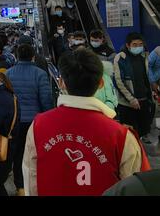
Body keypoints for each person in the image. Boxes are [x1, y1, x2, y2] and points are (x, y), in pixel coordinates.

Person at [23, 49, 151, 196]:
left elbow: (31, 180)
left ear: (61, 83)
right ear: (101, 83)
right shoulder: (121, 136)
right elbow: (134, 188)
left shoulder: (38, 127)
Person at [6, 44, 53, 195]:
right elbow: (46, 99)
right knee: (36, 153)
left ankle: (21, 186)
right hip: (35, 121)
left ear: (17, 56)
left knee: (18, 154)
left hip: (16, 122)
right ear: (33, 56)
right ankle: (36, 183)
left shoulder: (8, 73)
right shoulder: (40, 74)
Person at [114, 33, 155, 141]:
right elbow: (119, 81)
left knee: (144, 130)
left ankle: (142, 154)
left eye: (140, 44)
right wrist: (131, 99)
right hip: (128, 104)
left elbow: (146, 77)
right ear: (128, 45)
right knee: (129, 134)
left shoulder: (144, 56)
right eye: (135, 44)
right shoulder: (121, 58)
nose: (138, 47)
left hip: (144, 100)